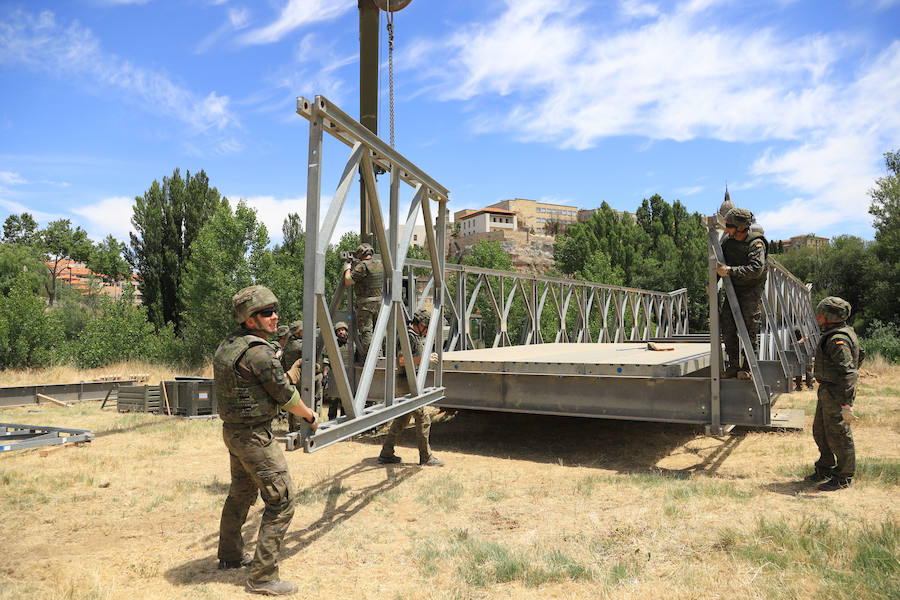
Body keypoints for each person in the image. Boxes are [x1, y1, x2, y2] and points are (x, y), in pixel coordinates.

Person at [213, 285, 318, 596]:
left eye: (274, 310)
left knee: (241, 494)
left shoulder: (230, 346)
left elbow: (260, 383)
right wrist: (310, 417)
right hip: (255, 437)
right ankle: (262, 578)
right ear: (249, 320)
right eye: (266, 313)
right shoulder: (260, 352)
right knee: (281, 501)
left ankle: (230, 556)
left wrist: (291, 374)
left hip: (234, 432)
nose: (274, 317)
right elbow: (285, 397)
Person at [807, 296, 864, 491]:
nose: (817, 317)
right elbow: (861, 355)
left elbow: (849, 372)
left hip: (837, 393)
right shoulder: (837, 333)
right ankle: (825, 468)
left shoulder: (837, 339)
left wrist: (847, 403)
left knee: (839, 434)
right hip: (828, 391)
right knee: (821, 431)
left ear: (830, 317)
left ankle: (843, 477)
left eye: (820, 315)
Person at [378, 308, 443, 467]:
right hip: (406, 383)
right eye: (427, 327)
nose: (427, 331)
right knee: (423, 418)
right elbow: (401, 361)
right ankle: (426, 457)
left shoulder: (412, 335)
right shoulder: (408, 336)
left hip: (407, 381)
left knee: (402, 418)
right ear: (421, 324)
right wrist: (425, 358)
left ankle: (386, 453)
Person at [716, 207, 768, 379]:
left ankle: (748, 368)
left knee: (749, 328)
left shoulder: (756, 243)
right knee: (728, 326)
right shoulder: (727, 242)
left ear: (740, 227)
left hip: (751, 290)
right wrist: (713, 282)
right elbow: (718, 264)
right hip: (733, 288)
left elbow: (756, 269)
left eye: (729, 225)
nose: (726, 229)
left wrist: (730, 271)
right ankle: (733, 365)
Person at [343, 243, 383, 358]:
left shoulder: (362, 266)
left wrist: (347, 268)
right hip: (380, 304)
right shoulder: (380, 265)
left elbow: (348, 281)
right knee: (378, 332)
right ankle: (380, 356)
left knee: (367, 332)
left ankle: (373, 359)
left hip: (366, 305)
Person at [320, 321, 352, 420]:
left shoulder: (353, 345)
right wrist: (325, 376)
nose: (340, 332)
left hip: (349, 378)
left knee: (345, 404)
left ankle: (344, 425)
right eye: (338, 331)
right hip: (335, 377)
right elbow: (326, 362)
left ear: (346, 331)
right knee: (333, 403)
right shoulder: (332, 346)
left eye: (342, 330)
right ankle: (331, 423)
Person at [793, 327, 815, 391]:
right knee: (798, 370)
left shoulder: (805, 335)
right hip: (799, 354)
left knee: (808, 370)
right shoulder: (795, 336)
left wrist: (798, 342)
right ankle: (798, 387)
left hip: (806, 354)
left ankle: (810, 386)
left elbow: (805, 338)